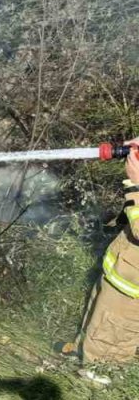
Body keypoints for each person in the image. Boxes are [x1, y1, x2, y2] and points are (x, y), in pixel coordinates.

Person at [59, 137, 139, 364]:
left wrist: (136, 187)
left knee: (109, 342)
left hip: (133, 293)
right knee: (96, 317)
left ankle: (95, 382)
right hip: (123, 272)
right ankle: (80, 352)